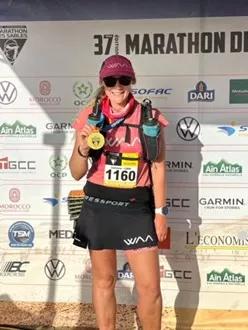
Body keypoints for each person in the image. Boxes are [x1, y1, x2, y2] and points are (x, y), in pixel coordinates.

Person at [69, 54, 169, 330]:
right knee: (104, 282)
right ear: (103, 82)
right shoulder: (89, 116)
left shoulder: (150, 117)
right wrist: (83, 148)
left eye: (123, 79)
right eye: (110, 80)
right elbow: (76, 171)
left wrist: (160, 212)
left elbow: (158, 168)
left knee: (149, 289)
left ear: (132, 81)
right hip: (99, 205)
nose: (117, 86)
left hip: (136, 207)